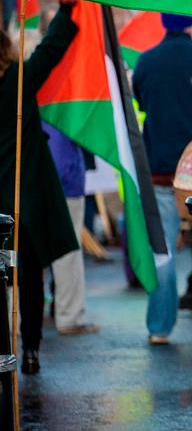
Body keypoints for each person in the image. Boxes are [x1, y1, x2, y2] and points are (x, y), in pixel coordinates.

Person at [0, 1, 82, 375]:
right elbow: (51, 49)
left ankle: (5, 351)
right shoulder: (19, 79)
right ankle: (30, 349)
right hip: (25, 198)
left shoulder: (20, 79)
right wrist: (67, 8)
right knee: (30, 277)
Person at [132, 13, 192, 338]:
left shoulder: (146, 61)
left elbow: (140, 100)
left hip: (161, 171)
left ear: (164, 24)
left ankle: (160, 327)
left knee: (162, 253)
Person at [45, 124, 100, 335]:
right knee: (67, 251)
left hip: (28, 174)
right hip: (66, 174)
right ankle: (69, 316)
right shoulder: (69, 90)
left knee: (25, 254)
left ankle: (16, 319)